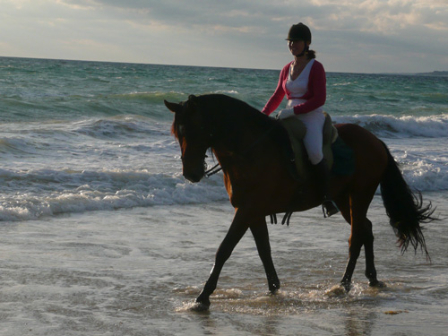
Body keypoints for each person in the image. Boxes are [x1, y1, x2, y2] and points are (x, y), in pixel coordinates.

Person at [262, 22, 339, 217]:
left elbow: (319, 99)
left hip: (311, 116)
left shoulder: (316, 67)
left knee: (314, 152)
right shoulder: (287, 68)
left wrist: (294, 111)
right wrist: (262, 116)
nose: (292, 45)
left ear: (307, 43)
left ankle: (326, 198)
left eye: (296, 41)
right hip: (289, 113)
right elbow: (277, 96)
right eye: (290, 42)